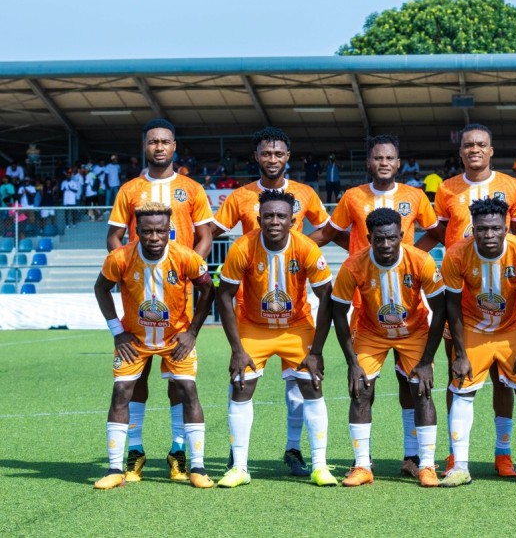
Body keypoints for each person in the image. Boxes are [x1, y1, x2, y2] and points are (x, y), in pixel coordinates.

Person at [212, 126, 336, 476]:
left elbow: (328, 229)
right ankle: (238, 460)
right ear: (256, 156)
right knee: (241, 383)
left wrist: (296, 248)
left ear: (288, 156)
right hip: (252, 309)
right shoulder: (240, 198)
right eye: (266, 153)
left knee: (302, 385)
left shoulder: (305, 194)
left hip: (295, 314)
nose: (272, 158)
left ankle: (298, 451)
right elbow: (212, 230)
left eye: (278, 153)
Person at [317, 133, 441, 477]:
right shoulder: (352, 197)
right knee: (361, 388)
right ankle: (363, 463)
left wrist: (411, 258)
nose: (383, 163)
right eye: (377, 158)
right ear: (368, 162)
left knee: (413, 385)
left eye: (389, 158)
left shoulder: (415, 196)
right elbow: (331, 233)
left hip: (408, 302)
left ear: (398, 163)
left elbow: (435, 232)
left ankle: (416, 459)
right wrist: (358, 253)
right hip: (366, 307)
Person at [107, 118, 214, 484]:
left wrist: (188, 268)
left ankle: (178, 450)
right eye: (153, 141)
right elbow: (114, 236)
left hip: (179, 292)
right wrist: (128, 268)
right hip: (139, 292)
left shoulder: (191, 188)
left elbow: (205, 235)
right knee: (135, 375)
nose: (159, 147)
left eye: (165, 141)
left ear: (174, 146)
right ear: (145, 146)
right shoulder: (130, 189)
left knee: (177, 379)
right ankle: (135, 450)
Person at [92, 201, 215, 490]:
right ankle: (118, 467)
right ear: (137, 231)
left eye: (161, 231)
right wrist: (117, 332)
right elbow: (100, 289)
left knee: (187, 389)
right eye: (147, 232)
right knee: (122, 391)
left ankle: (195, 465)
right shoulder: (120, 257)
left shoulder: (186, 257)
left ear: (169, 229)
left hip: (175, 338)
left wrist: (192, 333)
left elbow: (208, 289)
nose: (155, 237)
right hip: (134, 339)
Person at [434, 123, 516, 478]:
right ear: (461, 152)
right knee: (457, 373)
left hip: (504, 297)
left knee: (505, 379)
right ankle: (454, 453)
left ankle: (503, 453)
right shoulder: (447, 189)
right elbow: (439, 234)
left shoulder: (513, 187)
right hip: (461, 298)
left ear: (491, 150)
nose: (474, 149)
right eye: (468, 145)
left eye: (481, 144)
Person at [331, 207, 446, 488]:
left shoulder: (421, 261)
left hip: (414, 332)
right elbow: (338, 312)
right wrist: (352, 363)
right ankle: (362, 465)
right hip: (371, 332)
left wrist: (427, 360)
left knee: (422, 390)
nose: (385, 244)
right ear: (368, 238)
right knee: (360, 390)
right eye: (379, 238)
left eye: (391, 238)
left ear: (401, 235)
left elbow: (441, 310)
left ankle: (426, 465)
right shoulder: (353, 265)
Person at [439, 197, 516, 487]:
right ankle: (459, 465)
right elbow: (451, 305)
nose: (489, 234)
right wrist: (460, 353)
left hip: (511, 327)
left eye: (496, 228)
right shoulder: (456, 254)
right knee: (462, 389)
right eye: (482, 229)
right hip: (473, 327)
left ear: (506, 228)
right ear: (473, 229)